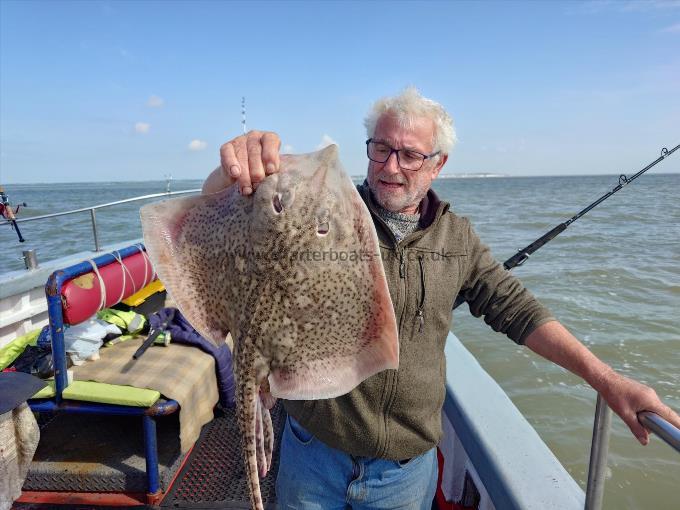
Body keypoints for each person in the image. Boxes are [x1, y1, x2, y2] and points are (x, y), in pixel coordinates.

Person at [203, 88, 680, 509]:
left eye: (410, 155)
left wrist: (607, 380)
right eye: (381, 149)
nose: (391, 167)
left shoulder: (456, 239)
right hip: (314, 450)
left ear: (438, 163)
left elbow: (515, 308)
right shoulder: (323, 211)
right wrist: (233, 172)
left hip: (403, 473)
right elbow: (230, 212)